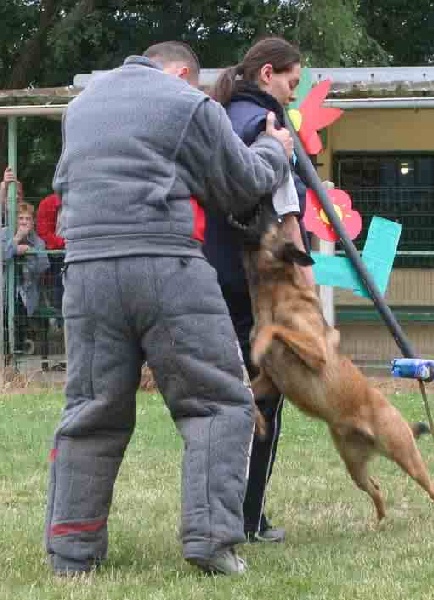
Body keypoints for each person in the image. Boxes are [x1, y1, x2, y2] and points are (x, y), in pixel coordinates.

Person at [45, 41, 294, 577]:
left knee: (92, 410)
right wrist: (276, 149)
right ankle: (211, 541)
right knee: (220, 401)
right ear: (183, 73)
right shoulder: (187, 103)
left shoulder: (81, 106)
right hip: (165, 266)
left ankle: (71, 550)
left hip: (85, 273)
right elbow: (243, 183)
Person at [205, 36, 314, 543]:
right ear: (268, 74)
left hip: (211, 276)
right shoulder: (267, 126)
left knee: (221, 400)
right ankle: (247, 517)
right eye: (292, 82)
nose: (293, 93)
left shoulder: (219, 115)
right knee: (263, 398)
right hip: (255, 282)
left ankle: (216, 513)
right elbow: (285, 208)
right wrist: (304, 279)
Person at [2, 202, 50, 354]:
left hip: (26, 292)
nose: (23, 222)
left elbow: (43, 267)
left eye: (27, 218)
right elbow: (3, 257)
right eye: (20, 218)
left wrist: (31, 252)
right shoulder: (3, 234)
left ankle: (16, 349)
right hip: (4, 289)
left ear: (33, 221)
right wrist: (16, 242)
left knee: (20, 312)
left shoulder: (38, 242)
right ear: (15, 220)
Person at [36, 192, 64, 313]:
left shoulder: (81, 201)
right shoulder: (47, 203)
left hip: (74, 248)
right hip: (56, 253)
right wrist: (63, 243)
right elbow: (43, 232)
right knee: (58, 286)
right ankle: (58, 321)